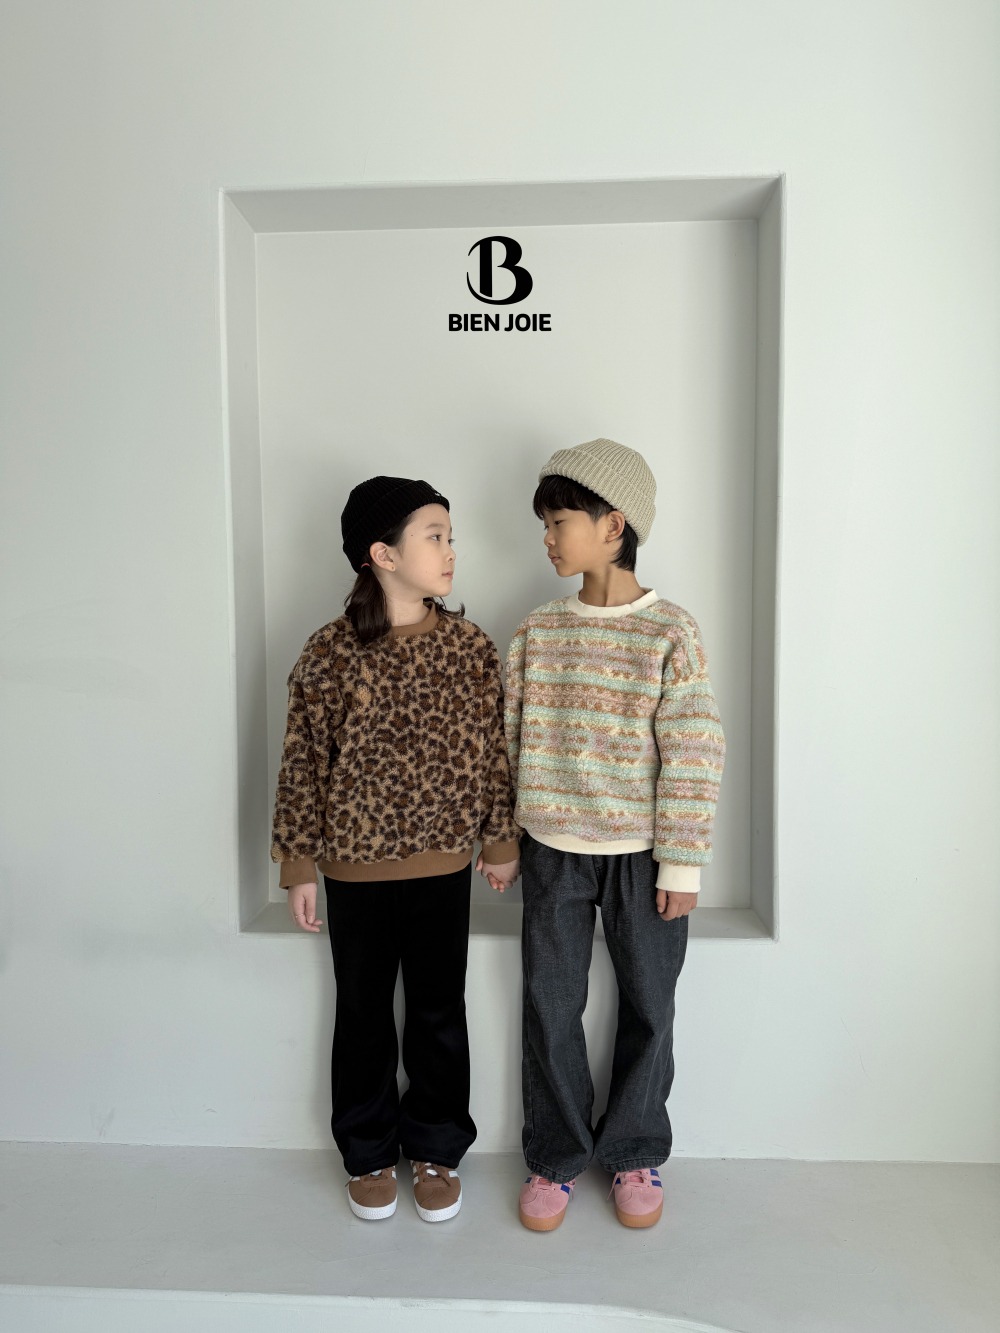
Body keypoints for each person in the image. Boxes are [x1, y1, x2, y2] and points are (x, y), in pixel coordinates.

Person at [271, 475, 520, 1223]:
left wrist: (500, 840)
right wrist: (298, 864)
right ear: (382, 553)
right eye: (434, 536)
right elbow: (302, 760)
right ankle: (369, 1150)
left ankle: (437, 1146)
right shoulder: (328, 653)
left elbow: (493, 754)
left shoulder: (469, 648)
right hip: (353, 869)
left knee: (439, 1010)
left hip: (444, 864)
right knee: (363, 1013)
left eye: (450, 535)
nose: (451, 551)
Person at [503, 439, 726, 1231]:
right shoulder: (537, 631)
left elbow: (695, 747)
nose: (547, 538)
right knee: (550, 1006)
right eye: (545, 524)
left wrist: (683, 861)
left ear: (614, 524)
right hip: (553, 850)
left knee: (650, 1006)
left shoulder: (670, 630)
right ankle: (556, 1155)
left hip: (643, 856)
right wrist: (504, 837)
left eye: (559, 521)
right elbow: (507, 739)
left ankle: (633, 1148)